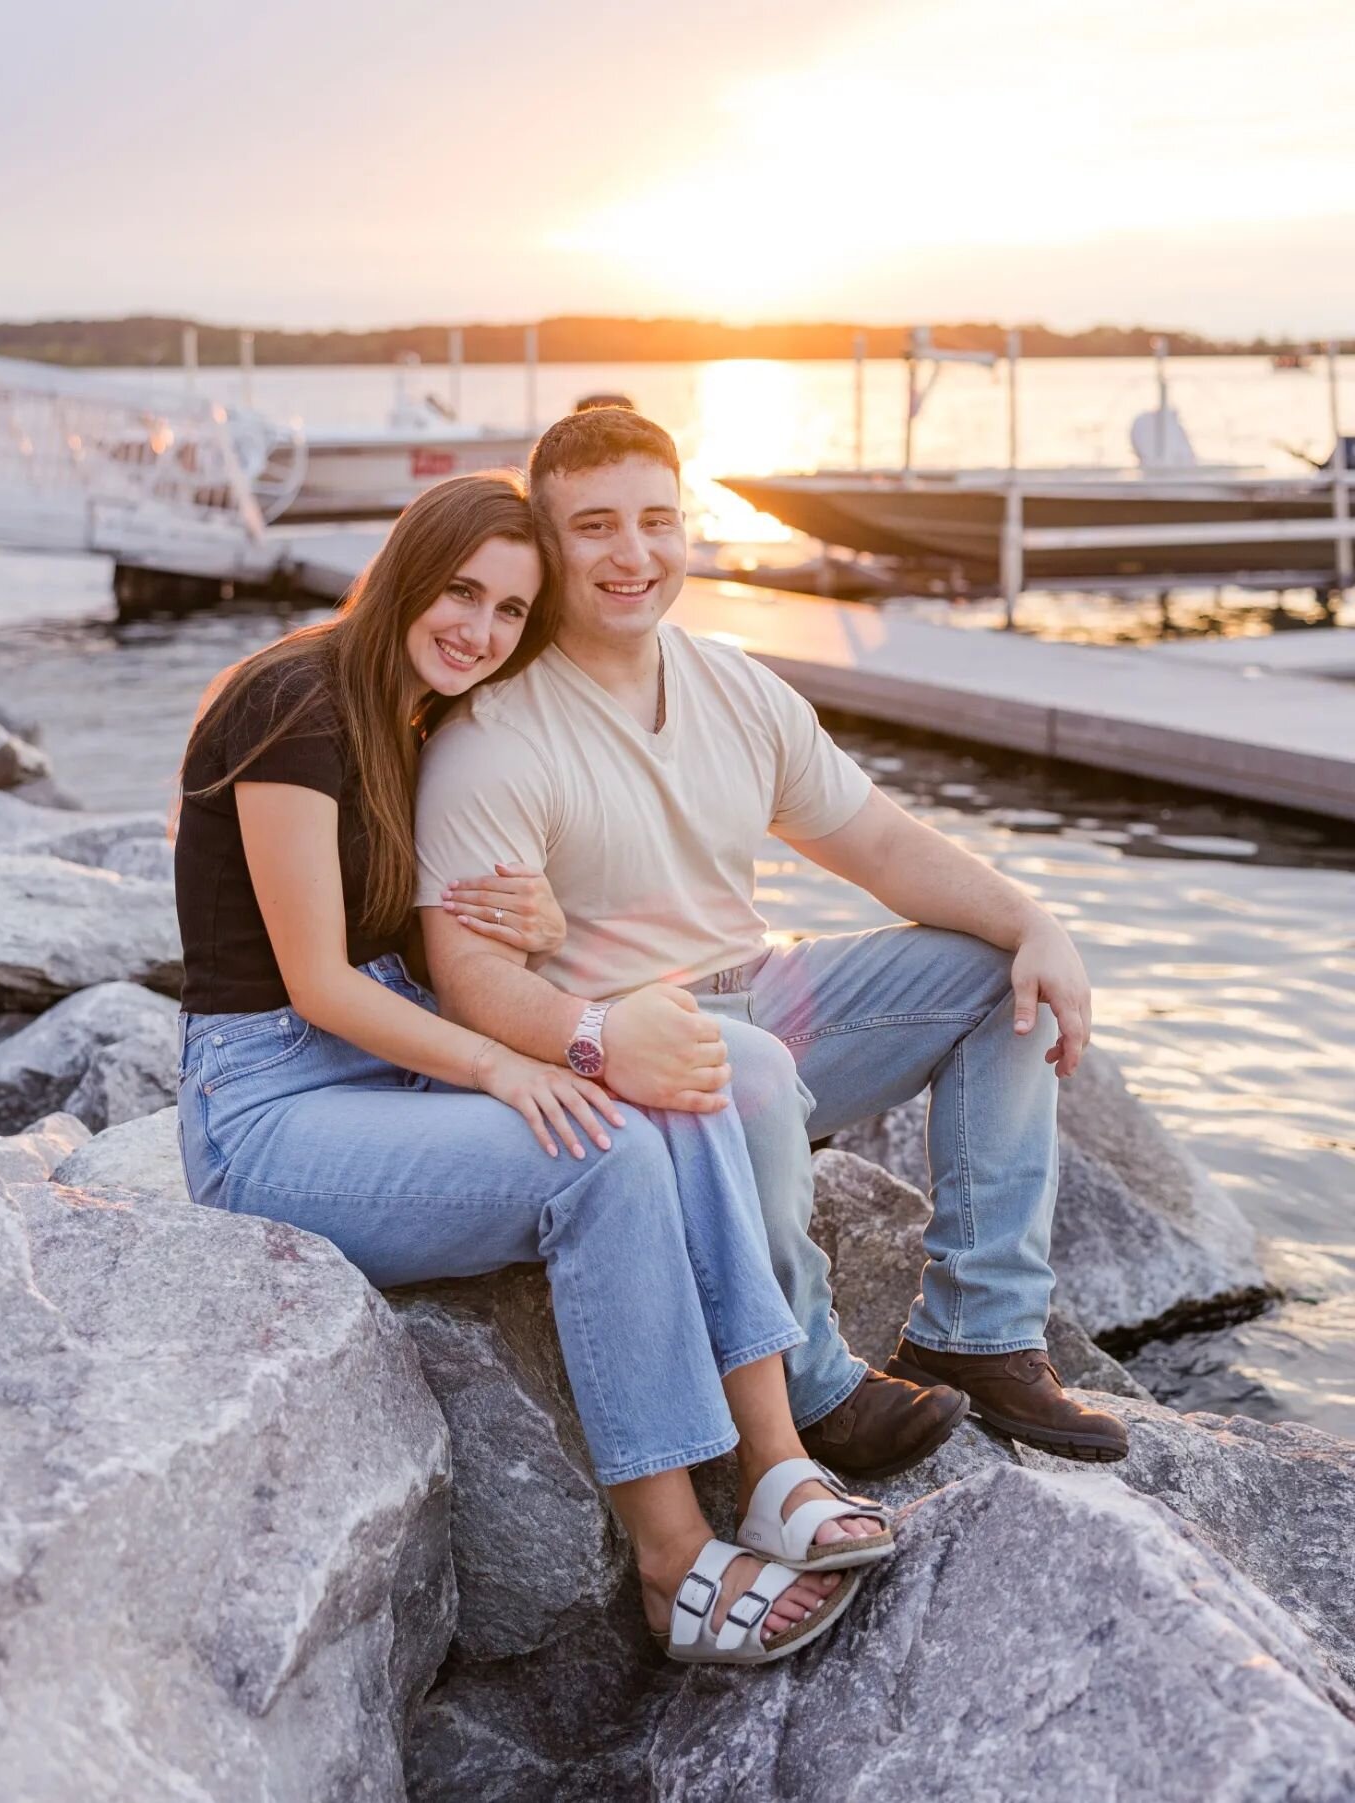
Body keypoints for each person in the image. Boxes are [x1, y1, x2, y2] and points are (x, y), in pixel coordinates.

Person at [171, 469, 898, 1669]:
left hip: (385, 1065)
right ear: (408, 572)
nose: (482, 630)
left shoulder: (423, 724)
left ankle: (775, 1467)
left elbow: (431, 940)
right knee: (600, 1156)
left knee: (675, 1079)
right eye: (461, 593)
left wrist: (544, 931)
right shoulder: (294, 700)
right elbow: (316, 982)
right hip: (268, 1107)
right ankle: (670, 1563)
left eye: (512, 612)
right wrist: (503, 1071)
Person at [414, 413, 1129, 1469]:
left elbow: (879, 844)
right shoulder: (492, 738)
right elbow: (470, 982)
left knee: (996, 976)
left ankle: (977, 1333)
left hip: (765, 996)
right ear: (545, 541)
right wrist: (602, 1035)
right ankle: (814, 1387)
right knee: (739, 1062)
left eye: (658, 521)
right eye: (596, 526)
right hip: (621, 1051)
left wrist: (1036, 923)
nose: (635, 554)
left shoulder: (734, 686)